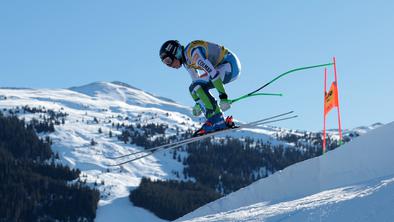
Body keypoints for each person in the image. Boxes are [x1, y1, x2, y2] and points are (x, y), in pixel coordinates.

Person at [159, 40, 241, 135]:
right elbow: (196, 83)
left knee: (196, 87)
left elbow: (213, 74)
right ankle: (213, 120)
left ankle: (217, 120)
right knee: (193, 89)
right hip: (222, 67)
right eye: (165, 63)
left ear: (175, 53)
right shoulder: (187, 61)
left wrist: (223, 97)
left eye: (168, 61)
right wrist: (199, 103)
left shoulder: (193, 54)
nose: (169, 66)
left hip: (230, 65)